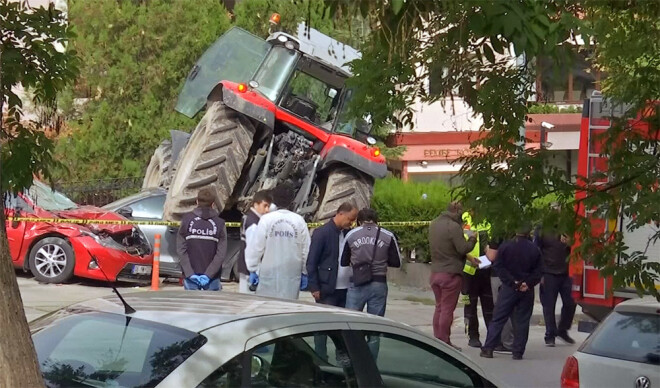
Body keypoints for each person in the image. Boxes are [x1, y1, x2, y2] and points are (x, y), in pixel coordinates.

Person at [481, 224, 543, 360]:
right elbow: (539, 271)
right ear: (528, 233)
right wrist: (528, 283)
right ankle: (518, 352)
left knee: (498, 318)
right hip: (526, 289)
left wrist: (511, 282)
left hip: (509, 288)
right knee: (522, 320)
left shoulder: (506, 246)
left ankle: (488, 348)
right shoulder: (534, 249)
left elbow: (498, 265)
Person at [245, 183, 311, 300]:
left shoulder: (266, 219)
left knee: (267, 310)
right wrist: (304, 271)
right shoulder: (299, 221)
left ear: (273, 200)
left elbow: (256, 247)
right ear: (292, 200)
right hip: (291, 276)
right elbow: (306, 250)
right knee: (287, 312)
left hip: (268, 275)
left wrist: (253, 268)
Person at [428, 202, 478, 348]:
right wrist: (472, 238)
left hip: (435, 272)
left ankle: (437, 339)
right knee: (447, 310)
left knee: (439, 307)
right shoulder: (453, 226)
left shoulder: (434, 224)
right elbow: (462, 248)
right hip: (450, 274)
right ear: (457, 211)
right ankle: (444, 342)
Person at [341, 208, 402, 316]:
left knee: (351, 319)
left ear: (359, 221)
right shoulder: (388, 235)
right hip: (379, 283)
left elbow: (343, 261)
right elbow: (396, 262)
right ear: (376, 220)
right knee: (376, 323)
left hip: (357, 281)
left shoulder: (351, 234)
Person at [306, 202, 358, 308]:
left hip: (346, 289)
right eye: (350, 219)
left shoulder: (349, 233)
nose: (351, 223)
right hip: (327, 289)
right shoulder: (322, 233)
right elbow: (312, 261)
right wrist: (314, 287)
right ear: (340, 214)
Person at [177, 188, 227, 291]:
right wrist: (208, 275)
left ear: (197, 201)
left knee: (191, 306)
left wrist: (190, 273)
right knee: (210, 306)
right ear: (213, 204)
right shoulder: (220, 224)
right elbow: (221, 254)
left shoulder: (186, 220)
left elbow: (181, 249)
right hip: (212, 279)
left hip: (191, 277)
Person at [536, 224, 577, 346]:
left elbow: (577, 249)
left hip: (566, 272)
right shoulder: (542, 228)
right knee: (549, 305)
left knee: (571, 302)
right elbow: (537, 251)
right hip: (548, 273)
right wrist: (540, 274)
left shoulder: (568, 227)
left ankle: (562, 329)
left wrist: (571, 243)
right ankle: (550, 334)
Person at [461, 212, 494, 348]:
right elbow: (458, 244)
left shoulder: (488, 219)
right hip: (468, 271)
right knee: (469, 304)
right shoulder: (463, 218)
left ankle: (493, 337)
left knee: (489, 306)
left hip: (486, 269)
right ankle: (472, 335)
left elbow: (493, 243)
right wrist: (469, 258)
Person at [238, 191, 272, 294]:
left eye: (268, 206)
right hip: (250, 269)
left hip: (245, 266)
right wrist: (254, 270)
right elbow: (252, 247)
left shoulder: (248, 217)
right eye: (265, 206)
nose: (267, 210)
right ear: (256, 204)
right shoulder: (254, 223)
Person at [487, 237, 515, 353]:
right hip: (516, 276)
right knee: (515, 310)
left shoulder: (498, 233)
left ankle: (507, 342)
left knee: (501, 310)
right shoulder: (520, 233)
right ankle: (515, 342)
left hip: (499, 277)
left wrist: (487, 249)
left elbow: (492, 256)